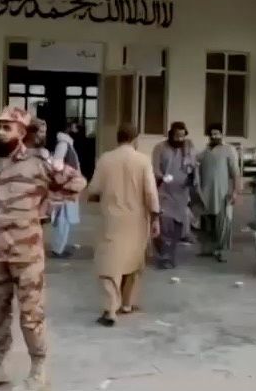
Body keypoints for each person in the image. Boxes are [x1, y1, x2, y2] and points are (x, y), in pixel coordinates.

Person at [0, 106, 86, 391]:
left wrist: (49, 201)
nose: (1, 132)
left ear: (22, 133)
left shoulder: (39, 162)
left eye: (7, 127)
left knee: (31, 314)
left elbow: (76, 182)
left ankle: (38, 369)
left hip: (26, 253)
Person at [87, 123, 160, 327]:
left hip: (112, 219)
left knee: (109, 264)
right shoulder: (143, 160)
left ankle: (111, 308)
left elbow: (93, 189)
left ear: (117, 138)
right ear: (135, 139)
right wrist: (155, 218)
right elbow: (151, 193)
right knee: (133, 261)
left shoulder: (105, 159)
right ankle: (127, 304)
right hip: (137, 220)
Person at [150, 121, 196, 269]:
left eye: (182, 136)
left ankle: (170, 256)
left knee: (177, 226)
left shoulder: (189, 147)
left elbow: (193, 167)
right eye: (177, 136)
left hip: (181, 193)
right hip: (164, 191)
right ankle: (162, 255)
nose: (180, 139)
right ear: (171, 135)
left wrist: (192, 178)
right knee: (163, 223)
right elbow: (155, 168)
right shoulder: (160, 148)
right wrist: (162, 177)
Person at [196, 123, 240, 263]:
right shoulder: (204, 152)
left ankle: (222, 252)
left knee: (223, 224)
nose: (214, 136)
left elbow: (236, 173)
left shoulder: (229, 150)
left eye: (217, 134)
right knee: (208, 223)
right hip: (206, 194)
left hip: (222, 193)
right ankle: (208, 249)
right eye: (212, 134)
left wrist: (235, 192)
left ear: (222, 134)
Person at [49, 120, 82, 258]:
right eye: (74, 126)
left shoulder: (67, 144)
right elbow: (57, 163)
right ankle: (58, 248)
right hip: (66, 186)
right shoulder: (63, 144)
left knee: (65, 218)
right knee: (63, 218)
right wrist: (67, 177)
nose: (76, 129)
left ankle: (60, 246)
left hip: (68, 184)